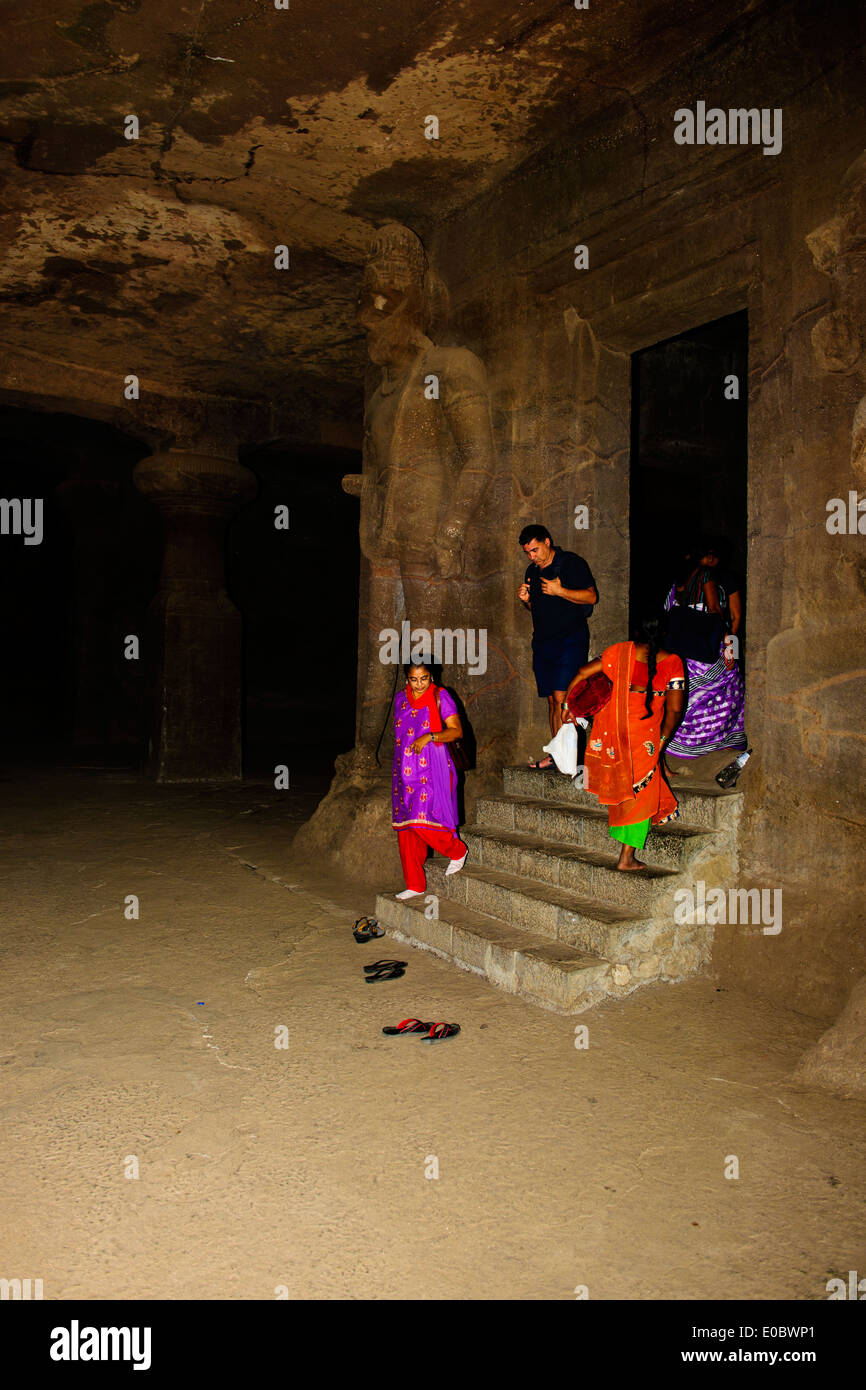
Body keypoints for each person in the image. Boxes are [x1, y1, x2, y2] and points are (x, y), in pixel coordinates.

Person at [564, 616, 685, 870]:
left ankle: (625, 846)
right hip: (645, 739)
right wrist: (662, 740)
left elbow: (582, 673)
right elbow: (674, 711)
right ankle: (626, 858)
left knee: (624, 786)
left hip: (614, 736)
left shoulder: (617, 652)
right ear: (664, 634)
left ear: (637, 632)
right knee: (642, 793)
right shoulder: (673, 663)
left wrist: (569, 705)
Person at [517, 523, 597, 769]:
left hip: (569, 639)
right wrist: (527, 601)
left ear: (547, 542)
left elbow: (592, 597)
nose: (532, 556)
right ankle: (557, 755)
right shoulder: (532, 571)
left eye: (535, 550)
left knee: (564, 698)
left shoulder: (570, 563)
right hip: (543, 642)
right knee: (552, 699)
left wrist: (559, 590)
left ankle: (571, 759)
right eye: (528, 552)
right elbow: (538, 609)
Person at [663, 540, 747, 760]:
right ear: (709, 557)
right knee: (731, 683)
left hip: (684, 648)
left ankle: (678, 740)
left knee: (687, 694)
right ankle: (719, 740)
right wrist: (731, 646)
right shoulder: (708, 576)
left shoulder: (681, 578)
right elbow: (716, 612)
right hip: (707, 643)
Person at [391, 658, 468, 899]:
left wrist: (430, 736)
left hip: (433, 768)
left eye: (424, 678)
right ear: (407, 679)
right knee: (405, 827)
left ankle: (456, 850)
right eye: (414, 679)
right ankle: (415, 884)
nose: (419, 684)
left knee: (420, 820)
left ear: (431, 677)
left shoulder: (440, 695)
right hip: (404, 769)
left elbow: (456, 730)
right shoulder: (400, 699)